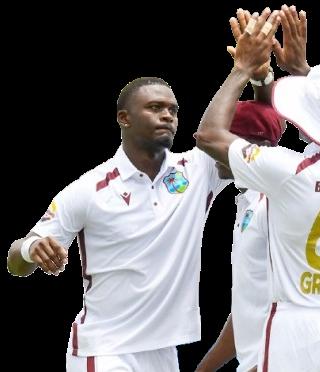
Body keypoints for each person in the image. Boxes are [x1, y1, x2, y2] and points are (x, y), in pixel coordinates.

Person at [195, 6, 320, 372]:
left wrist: (242, 68)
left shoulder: (289, 176)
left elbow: (208, 136)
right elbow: (319, 123)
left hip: (300, 330)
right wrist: (296, 74)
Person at [6, 76, 234, 371]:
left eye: (173, 110)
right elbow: (15, 262)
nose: (168, 116)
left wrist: (250, 74)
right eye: (155, 107)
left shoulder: (198, 170)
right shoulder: (89, 189)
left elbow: (253, 135)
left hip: (164, 352)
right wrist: (32, 248)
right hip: (105, 350)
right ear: (124, 118)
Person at [195, 5, 307, 372]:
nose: (214, 158)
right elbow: (248, 313)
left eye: (223, 149)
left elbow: (280, 307)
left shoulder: (272, 204)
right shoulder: (252, 196)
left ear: (245, 151)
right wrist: (263, 80)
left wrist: (243, 70)